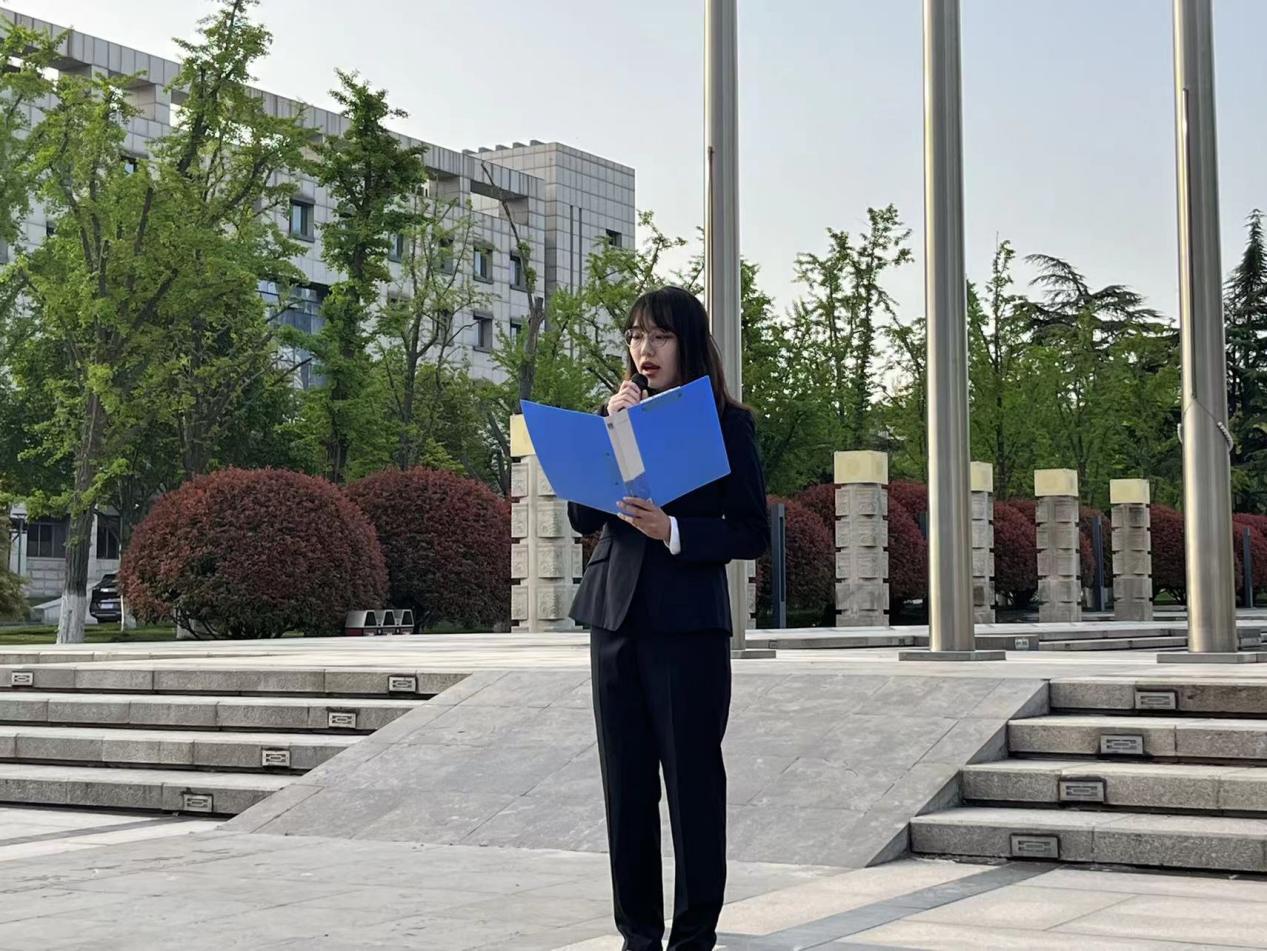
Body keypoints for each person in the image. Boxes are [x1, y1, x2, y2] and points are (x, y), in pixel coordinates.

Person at [567, 285, 769, 951]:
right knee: (624, 788)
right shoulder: (614, 416)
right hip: (613, 615)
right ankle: (637, 937)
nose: (643, 349)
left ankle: (692, 938)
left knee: (691, 785)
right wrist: (608, 429)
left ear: (688, 342)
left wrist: (674, 530)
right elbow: (581, 516)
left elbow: (749, 530)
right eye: (634, 336)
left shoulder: (726, 422)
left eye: (659, 336)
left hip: (686, 624)